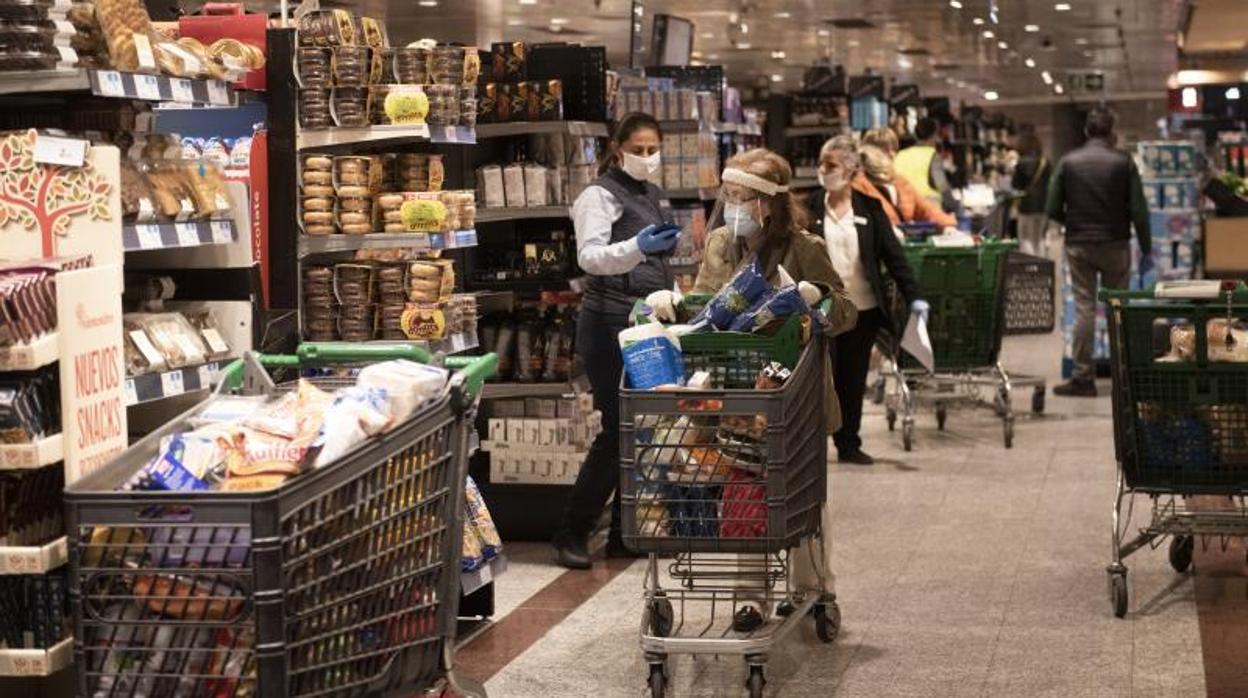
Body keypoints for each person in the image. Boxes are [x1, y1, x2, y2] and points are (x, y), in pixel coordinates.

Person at [691, 148, 857, 632]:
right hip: (740, 393)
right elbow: (704, 302)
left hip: (796, 393)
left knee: (803, 492)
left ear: (767, 203)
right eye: (729, 195)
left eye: (744, 197)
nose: (734, 204)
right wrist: (677, 309)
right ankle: (750, 599)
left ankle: (814, 589)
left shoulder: (803, 247)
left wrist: (816, 299)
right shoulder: (721, 243)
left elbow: (844, 310)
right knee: (745, 488)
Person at [552, 112, 683, 569]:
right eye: (639, 150)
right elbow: (589, 258)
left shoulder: (652, 193)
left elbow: (654, 262)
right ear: (618, 148)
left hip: (644, 319)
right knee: (618, 426)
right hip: (609, 321)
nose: (647, 158)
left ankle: (623, 534)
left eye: (653, 149)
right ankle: (572, 530)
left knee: (640, 426)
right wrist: (637, 249)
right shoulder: (598, 195)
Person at [809, 136, 925, 465]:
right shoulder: (810, 207)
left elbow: (893, 256)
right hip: (823, 311)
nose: (823, 171)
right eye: (821, 163)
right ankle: (815, 446)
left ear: (852, 169)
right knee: (821, 380)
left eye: (830, 165)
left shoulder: (869, 208)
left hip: (863, 311)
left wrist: (914, 296)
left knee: (853, 378)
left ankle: (849, 444)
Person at [1046, 106, 1152, 398]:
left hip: (1079, 245)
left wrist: (1074, 222)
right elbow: (1139, 210)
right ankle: (1124, 378)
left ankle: (1083, 378)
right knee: (1118, 309)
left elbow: (1052, 207)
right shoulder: (1124, 162)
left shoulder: (1068, 162)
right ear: (1113, 132)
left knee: (1084, 309)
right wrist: (1146, 247)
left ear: (1086, 131)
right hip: (1116, 244)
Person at [854, 143, 957, 232]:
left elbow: (926, 210)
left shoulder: (900, 183)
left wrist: (947, 224)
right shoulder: (859, 185)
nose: (892, 154)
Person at [894, 117, 955, 213]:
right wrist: (955, 206)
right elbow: (942, 185)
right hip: (929, 213)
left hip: (903, 211)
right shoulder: (932, 155)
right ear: (934, 135)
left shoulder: (900, 155)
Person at [1011, 129, 1053, 257]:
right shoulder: (1045, 162)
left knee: (1025, 238)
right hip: (1043, 205)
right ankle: (1042, 266)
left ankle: (1030, 267)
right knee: (1039, 238)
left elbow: (1015, 185)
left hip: (1026, 205)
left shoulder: (1021, 164)